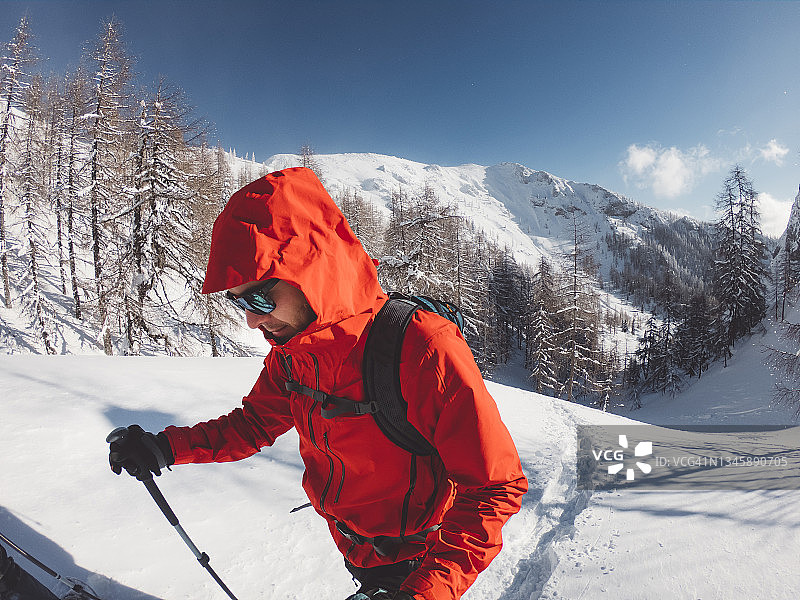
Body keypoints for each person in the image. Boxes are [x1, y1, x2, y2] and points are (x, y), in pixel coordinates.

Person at [108, 167, 528, 600]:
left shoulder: (422, 348)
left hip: (424, 561)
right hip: (354, 548)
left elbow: (495, 487)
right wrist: (165, 446)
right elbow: (251, 425)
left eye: (259, 298)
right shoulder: (293, 354)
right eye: (239, 303)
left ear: (311, 271)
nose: (251, 320)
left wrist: (422, 593)